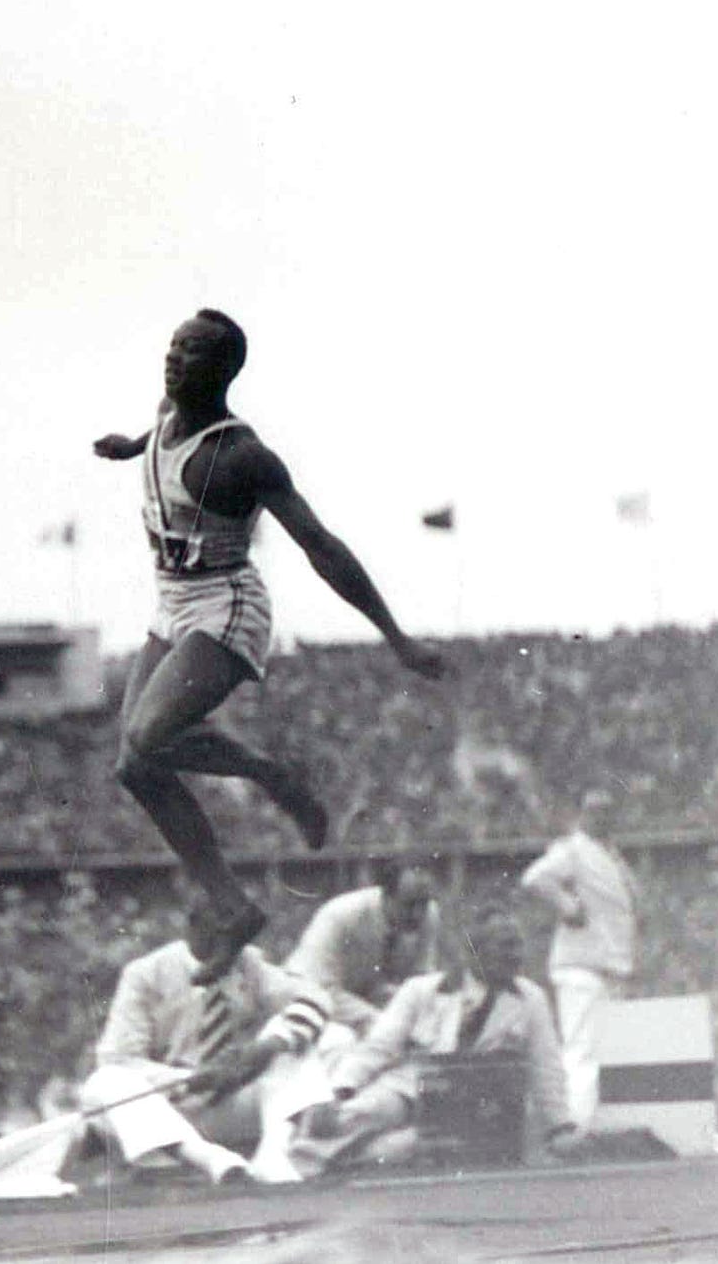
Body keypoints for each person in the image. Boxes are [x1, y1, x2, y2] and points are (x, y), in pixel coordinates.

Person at [96, 309, 445, 980]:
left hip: (227, 608)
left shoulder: (242, 457)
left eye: (192, 352)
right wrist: (130, 446)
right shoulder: (168, 411)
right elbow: (161, 435)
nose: (174, 359)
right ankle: (232, 908)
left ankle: (273, 774)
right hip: (172, 602)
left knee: (146, 737)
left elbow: (320, 545)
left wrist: (396, 636)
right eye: (172, 345)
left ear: (223, 369)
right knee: (133, 767)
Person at [285, 905, 574, 1181]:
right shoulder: (421, 991)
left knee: (406, 1148)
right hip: (408, 1088)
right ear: (475, 951)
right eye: (506, 946)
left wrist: (560, 1126)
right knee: (364, 1111)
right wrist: (340, 1090)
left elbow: (546, 1064)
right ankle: (296, 1166)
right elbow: (377, 1048)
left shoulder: (530, 999)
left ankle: (337, 1164)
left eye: (518, 945)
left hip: (470, 1110)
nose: (517, 956)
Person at [81, 913, 335, 1185]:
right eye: (220, 937)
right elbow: (119, 1059)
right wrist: (188, 1078)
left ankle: (273, 1154)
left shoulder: (247, 962)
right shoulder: (145, 974)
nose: (228, 948)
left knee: (295, 1043)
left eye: (236, 938)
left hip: (229, 1105)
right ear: (193, 929)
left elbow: (316, 998)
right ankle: (214, 1162)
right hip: (170, 1111)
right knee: (104, 1081)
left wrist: (265, 1048)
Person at [518, 788, 637, 1129]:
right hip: (582, 965)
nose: (603, 817)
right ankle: (574, 1128)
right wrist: (567, 906)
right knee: (582, 1050)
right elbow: (535, 877)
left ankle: (591, 1126)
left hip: (606, 965)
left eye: (608, 811)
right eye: (595, 811)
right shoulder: (572, 849)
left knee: (601, 1053)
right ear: (582, 815)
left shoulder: (609, 853)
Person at [284, 866, 447, 1030]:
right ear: (386, 896)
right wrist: (382, 1021)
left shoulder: (428, 915)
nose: (418, 914)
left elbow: (421, 979)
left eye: (424, 903)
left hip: (364, 1001)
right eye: (409, 905)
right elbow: (318, 991)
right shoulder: (341, 914)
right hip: (307, 1001)